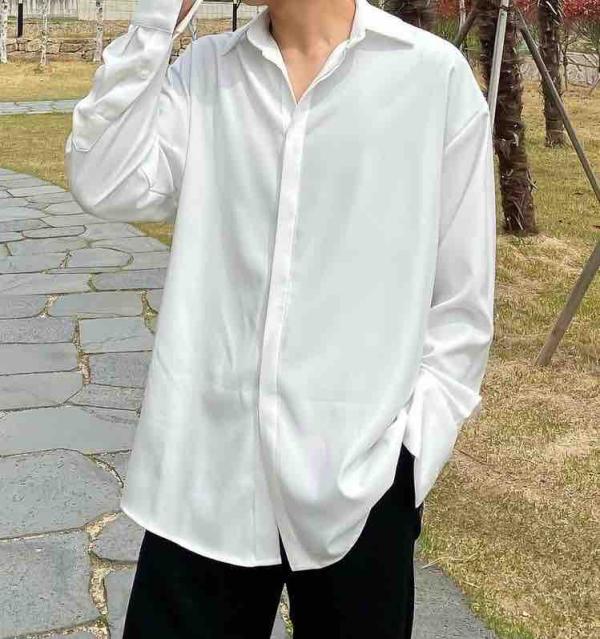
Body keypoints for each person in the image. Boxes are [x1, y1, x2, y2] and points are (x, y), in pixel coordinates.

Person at [64, 0, 497, 636]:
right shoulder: (206, 73)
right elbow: (104, 179)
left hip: (360, 480)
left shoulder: (433, 78)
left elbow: (462, 304)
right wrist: (157, 18)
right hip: (205, 474)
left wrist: (411, 456)